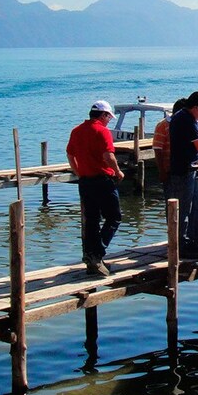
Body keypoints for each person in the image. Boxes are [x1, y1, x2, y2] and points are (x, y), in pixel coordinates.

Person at [66, 100, 125, 276]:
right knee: (114, 217)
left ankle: (91, 256)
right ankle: (97, 253)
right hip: (103, 180)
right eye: (109, 117)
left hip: (85, 181)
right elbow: (108, 156)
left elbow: (70, 154)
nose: (109, 121)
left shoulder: (76, 130)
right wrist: (118, 171)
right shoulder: (102, 131)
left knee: (91, 220)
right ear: (103, 115)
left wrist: (78, 171)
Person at [169, 91, 198, 257]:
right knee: (184, 208)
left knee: (192, 205)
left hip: (187, 167)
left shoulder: (180, 116)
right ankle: (181, 245)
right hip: (184, 169)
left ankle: (189, 239)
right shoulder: (187, 120)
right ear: (195, 107)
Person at [152, 98, 187, 198]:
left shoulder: (186, 125)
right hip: (169, 170)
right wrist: (162, 171)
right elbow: (157, 149)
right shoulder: (162, 125)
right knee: (172, 200)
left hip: (184, 169)